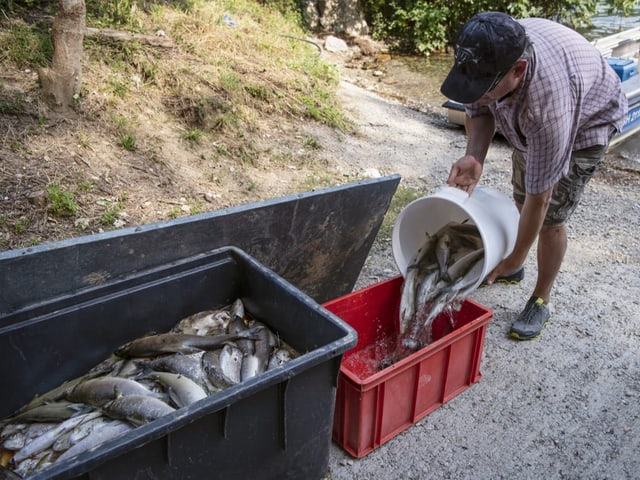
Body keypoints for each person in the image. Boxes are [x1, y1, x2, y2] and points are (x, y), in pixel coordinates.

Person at [440, 12, 628, 340]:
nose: (476, 91)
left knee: (551, 217)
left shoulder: (545, 107)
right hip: (540, 109)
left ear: (518, 70)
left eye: (483, 87)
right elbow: (480, 110)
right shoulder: (487, 56)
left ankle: (541, 298)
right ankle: (516, 262)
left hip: (589, 120)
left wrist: (515, 256)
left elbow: (541, 199)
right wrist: (475, 155)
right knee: (520, 192)